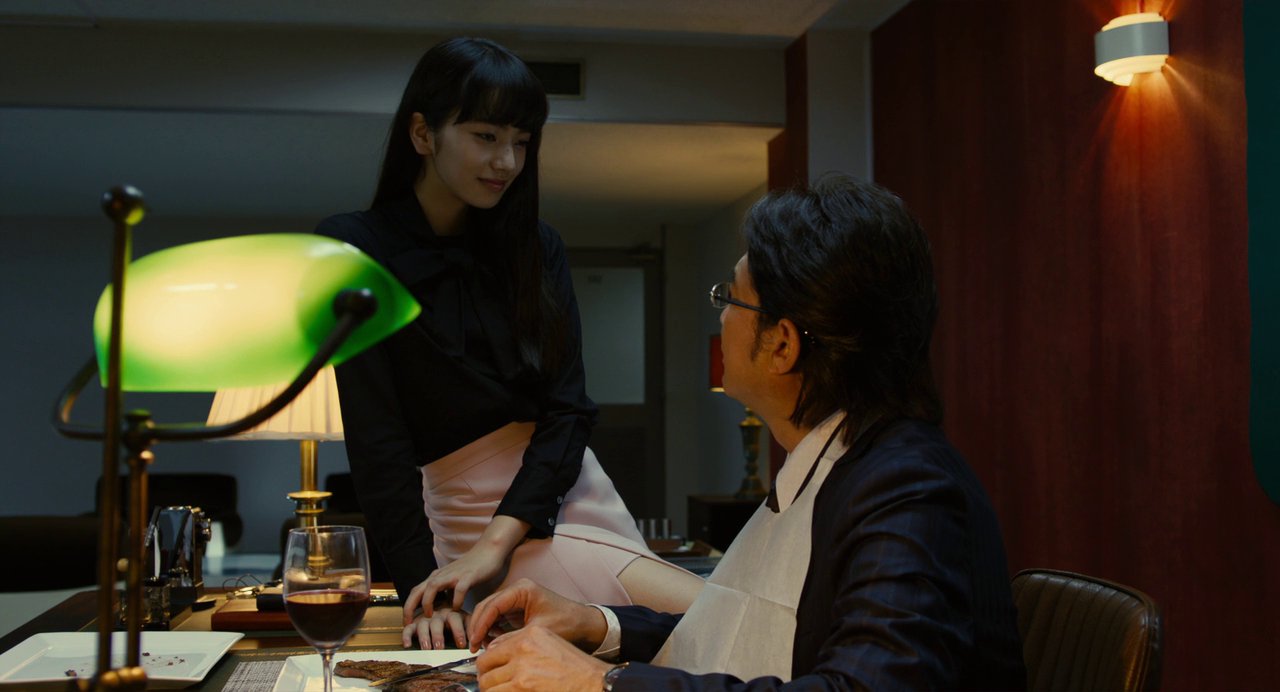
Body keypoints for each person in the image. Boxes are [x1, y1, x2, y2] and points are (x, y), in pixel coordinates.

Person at [464, 174, 1028, 690]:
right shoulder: (844, 462)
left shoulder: (906, 489)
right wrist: (594, 624)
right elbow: (736, 630)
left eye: (729, 297)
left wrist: (600, 683)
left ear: (782, 345)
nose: (720, 315)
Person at [315, 37, 703, 649]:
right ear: (422, 133)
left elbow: (569, 409)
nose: (507, 161)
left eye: (522, 142)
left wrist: (498, 542)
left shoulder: (537, 246)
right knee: (724, 626)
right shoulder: (353, 250)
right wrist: (421, 588)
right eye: (486, 136)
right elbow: (377, 444)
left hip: (572, 495)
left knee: (690, 640)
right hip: (469, 518)